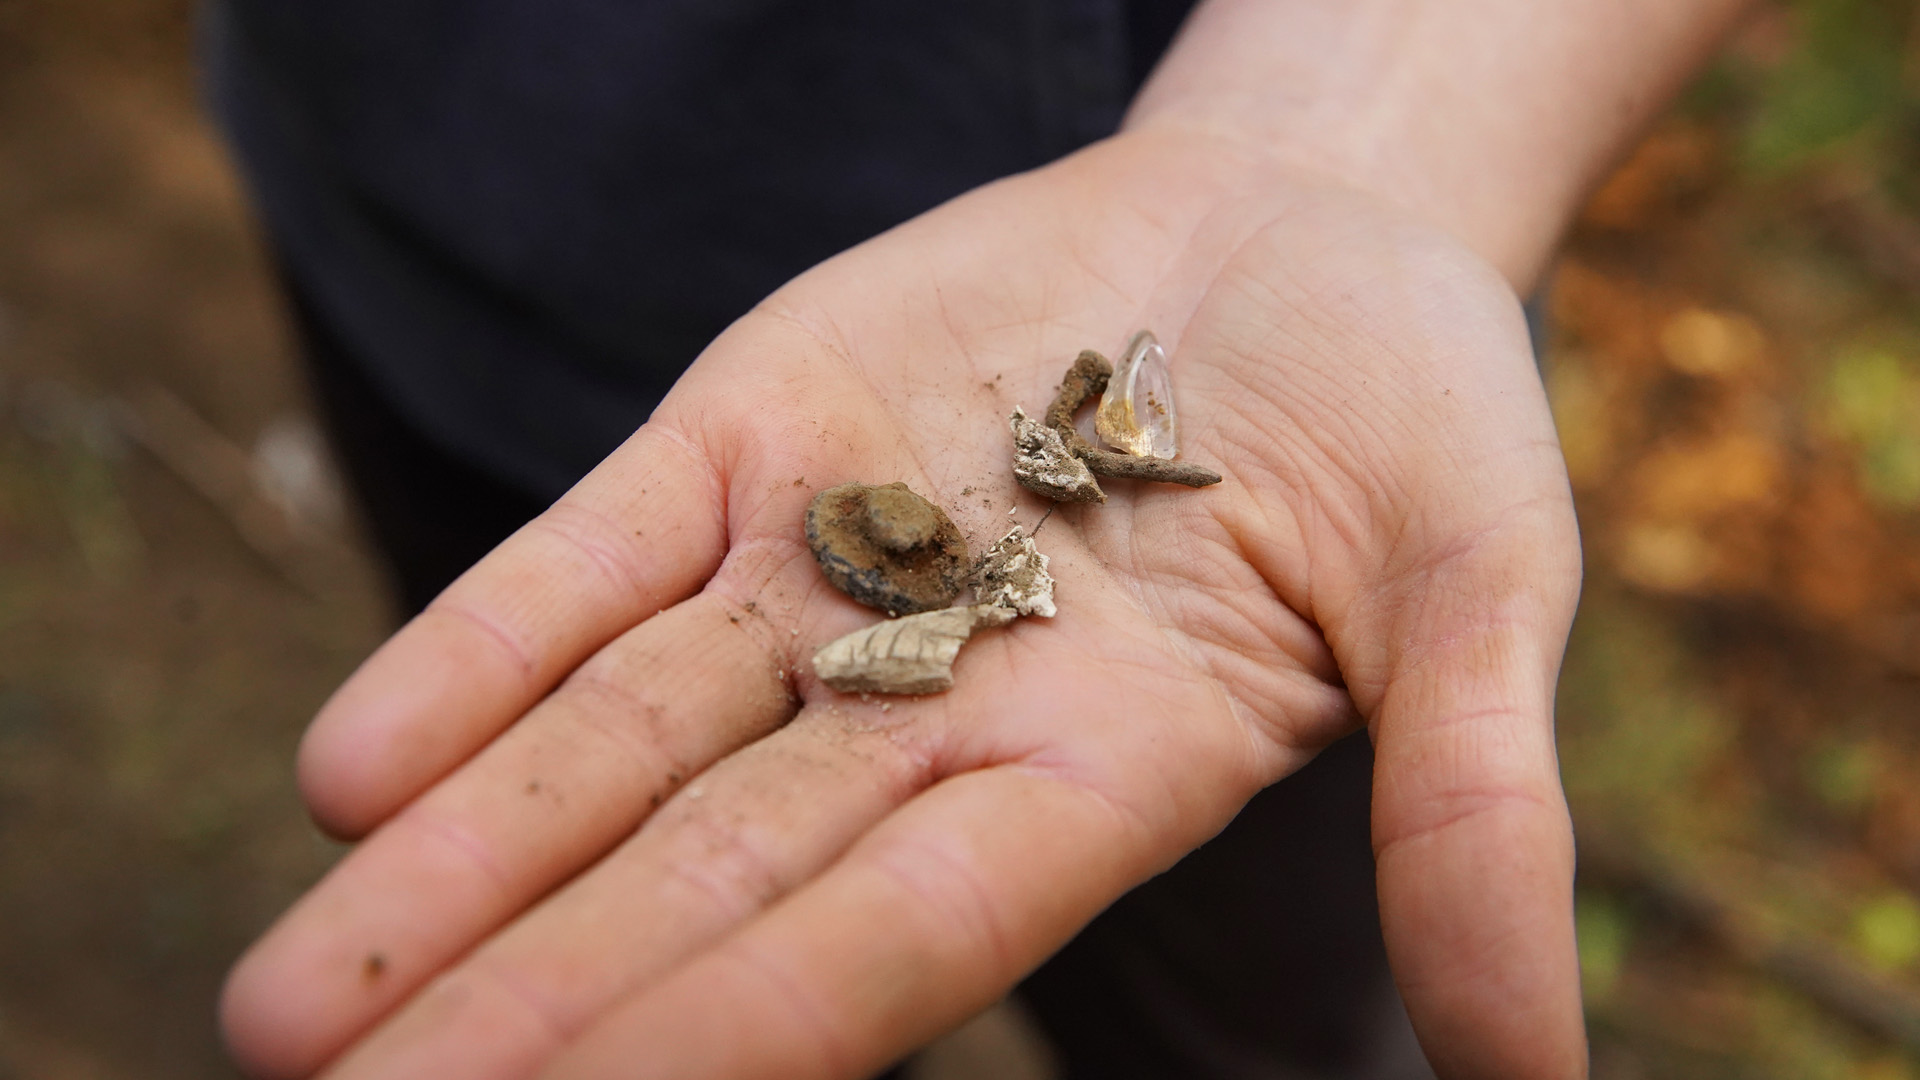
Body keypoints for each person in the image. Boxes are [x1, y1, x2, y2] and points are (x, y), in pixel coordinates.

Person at [209, 1, 1751, 1077]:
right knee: (676, 981)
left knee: (1253, 1023)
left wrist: (1363, 143)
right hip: (439, 220)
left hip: (1200, 247)